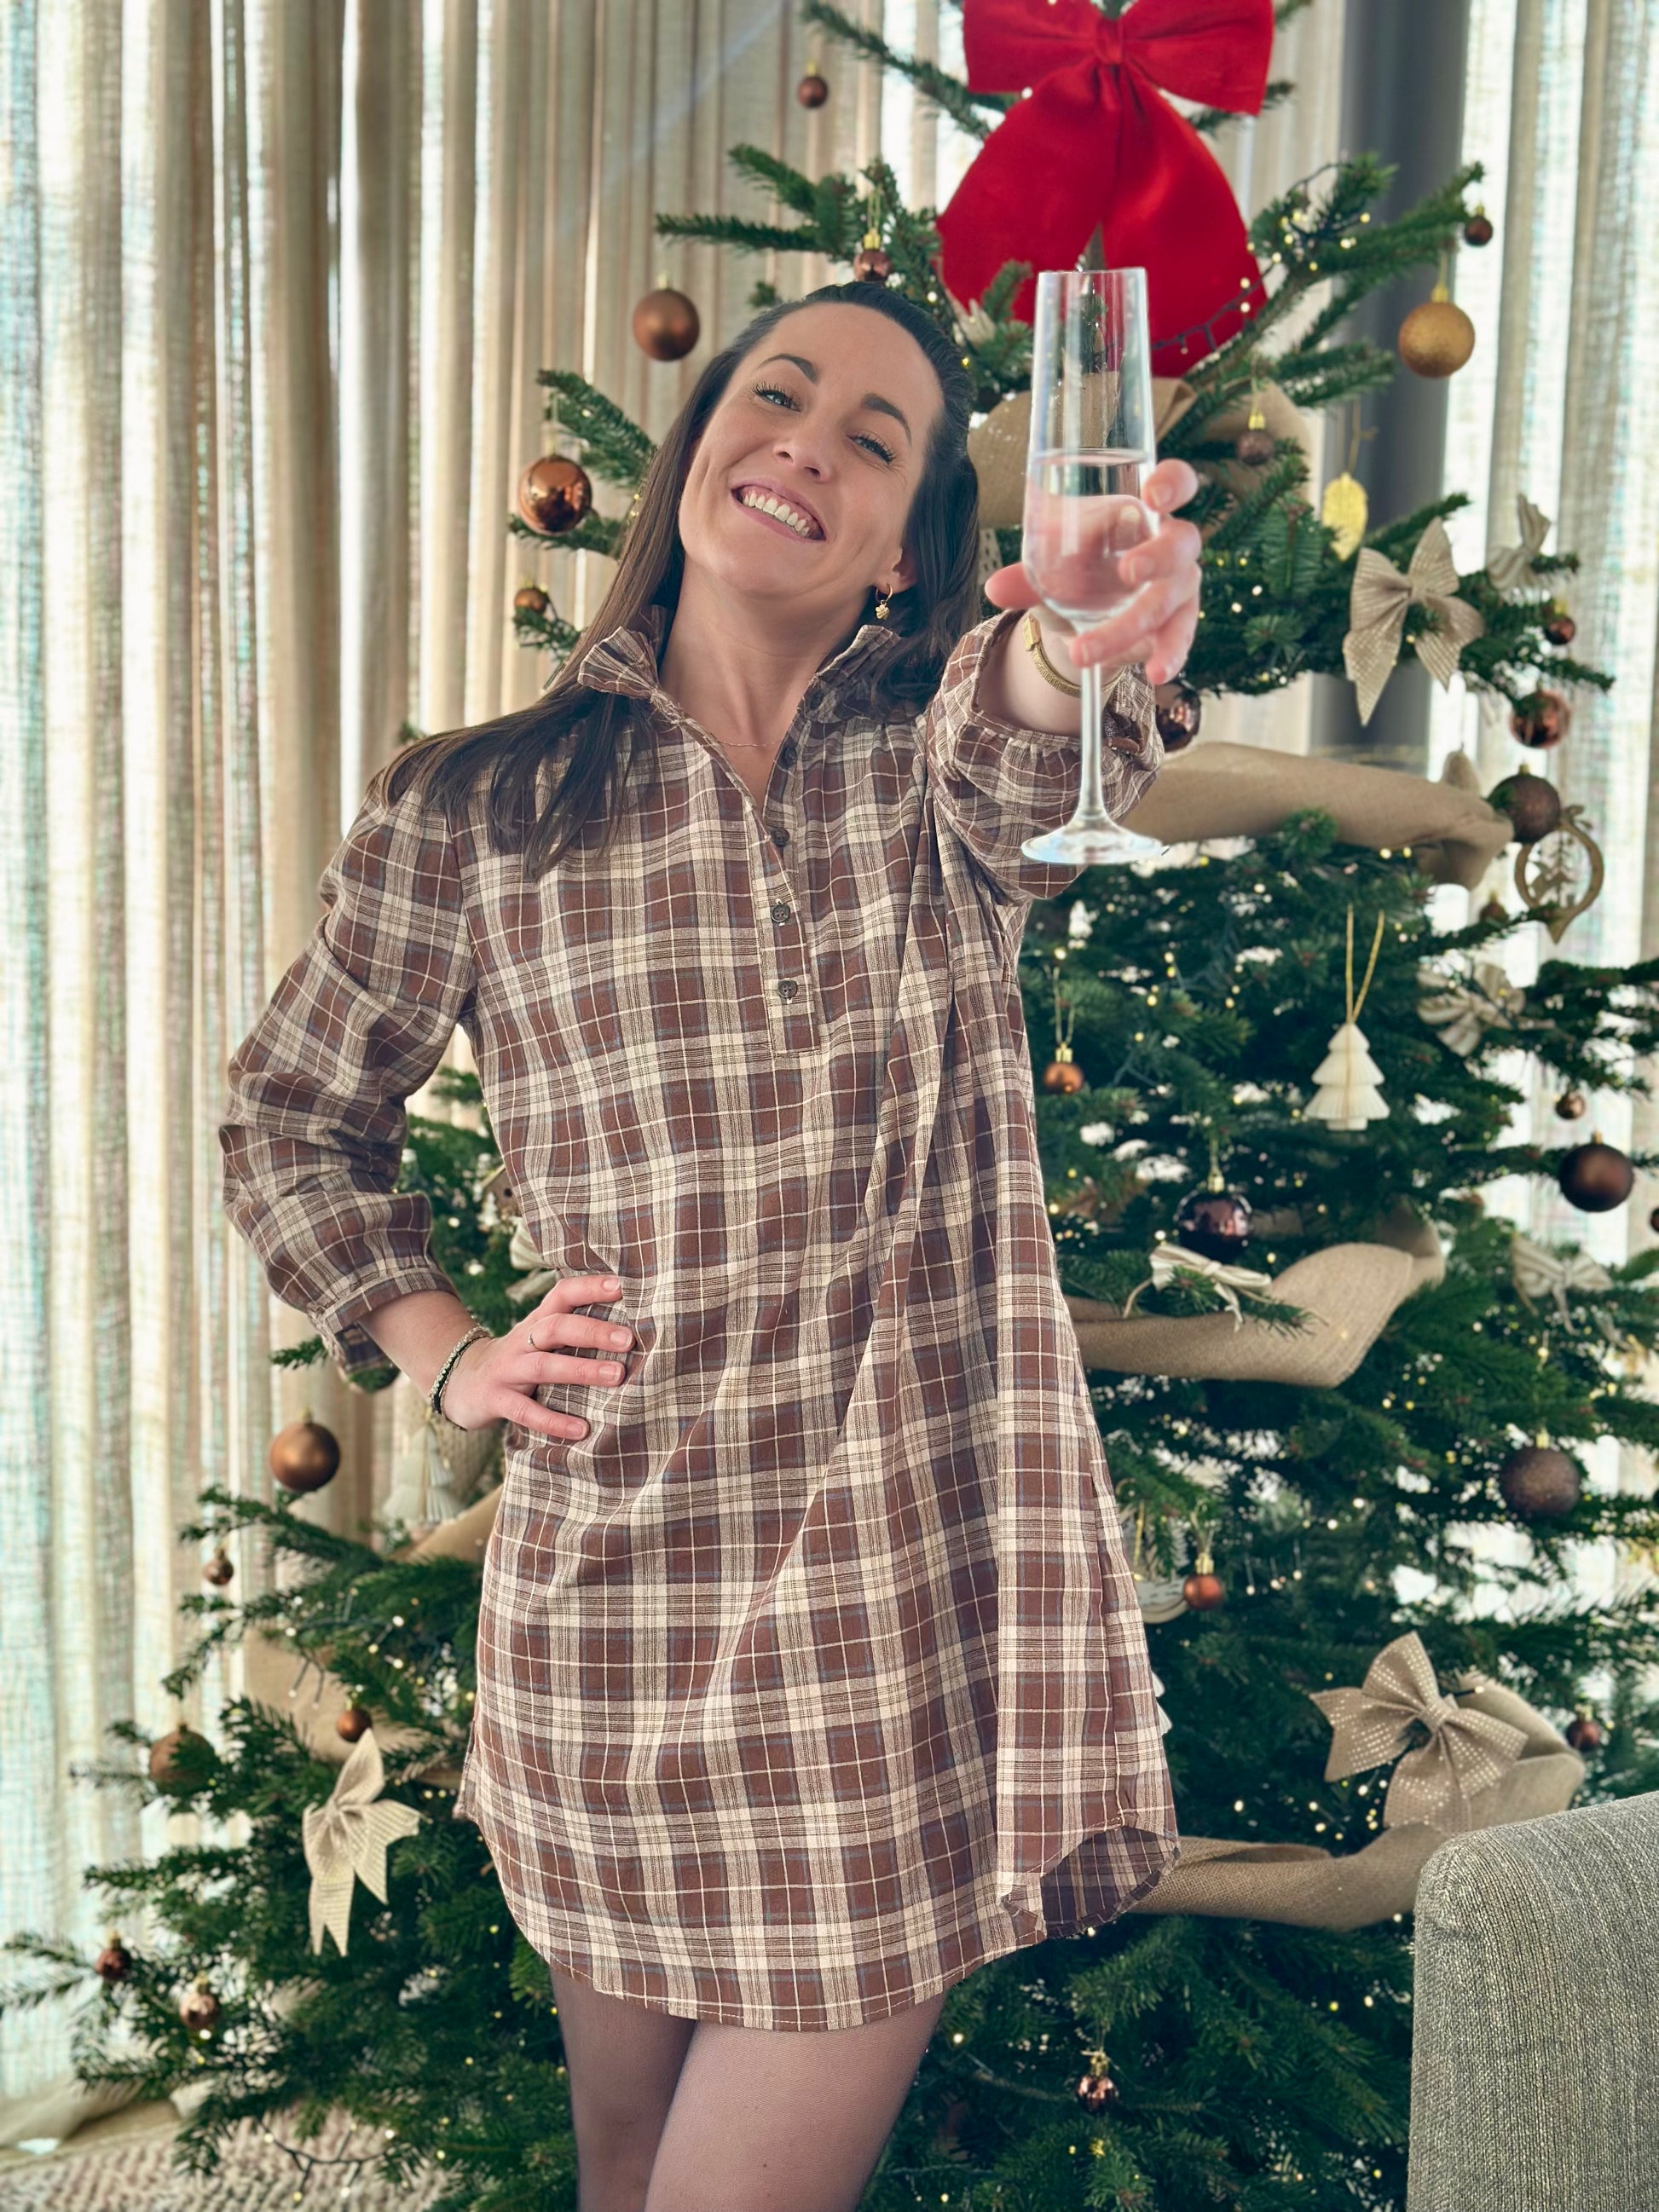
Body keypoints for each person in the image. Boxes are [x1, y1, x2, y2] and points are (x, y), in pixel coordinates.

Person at [221, 280, 1201, 2212]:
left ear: (910, 545)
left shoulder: (932, 763)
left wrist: (1070, 636)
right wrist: (446, 1351)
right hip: (617, 1610)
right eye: (778, 395)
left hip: (891, 1622)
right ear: (695, 449)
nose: (804, 447)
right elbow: (291, 1117)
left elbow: (1033, 739)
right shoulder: (476, 806)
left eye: (872, 439)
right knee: (624, 2172)